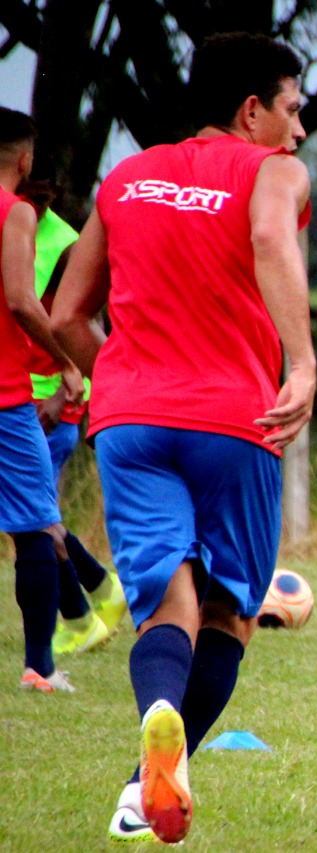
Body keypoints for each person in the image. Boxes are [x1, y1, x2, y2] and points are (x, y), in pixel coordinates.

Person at [52, 32, 315, 844]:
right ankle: (149, 774)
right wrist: (302, 361)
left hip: (130, 422)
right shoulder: (273, 170)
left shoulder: (126, 178)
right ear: (252, 110)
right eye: (292, 109)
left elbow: (66, 315)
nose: (299, 129)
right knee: (229, 613)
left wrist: (120, 382)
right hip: (235, 421)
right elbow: (270, 238)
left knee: (168, 602)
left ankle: (150, 753)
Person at [17, 167, 127, 655]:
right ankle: (99, 591)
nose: (36, 204)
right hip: (18, 397)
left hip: (48, 406)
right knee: (36, 517)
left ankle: (82, 615)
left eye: (45, 197)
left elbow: (83, 323)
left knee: (36, 520)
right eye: (30, 195)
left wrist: (68, 391)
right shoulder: (12, 224)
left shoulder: (65, 244)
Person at [0, 107, 84, 694]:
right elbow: (21, 300)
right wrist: (66, 362)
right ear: (25, 160)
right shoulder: (17, 212)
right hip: (6, 398)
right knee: (37, 526)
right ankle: (40, 667)